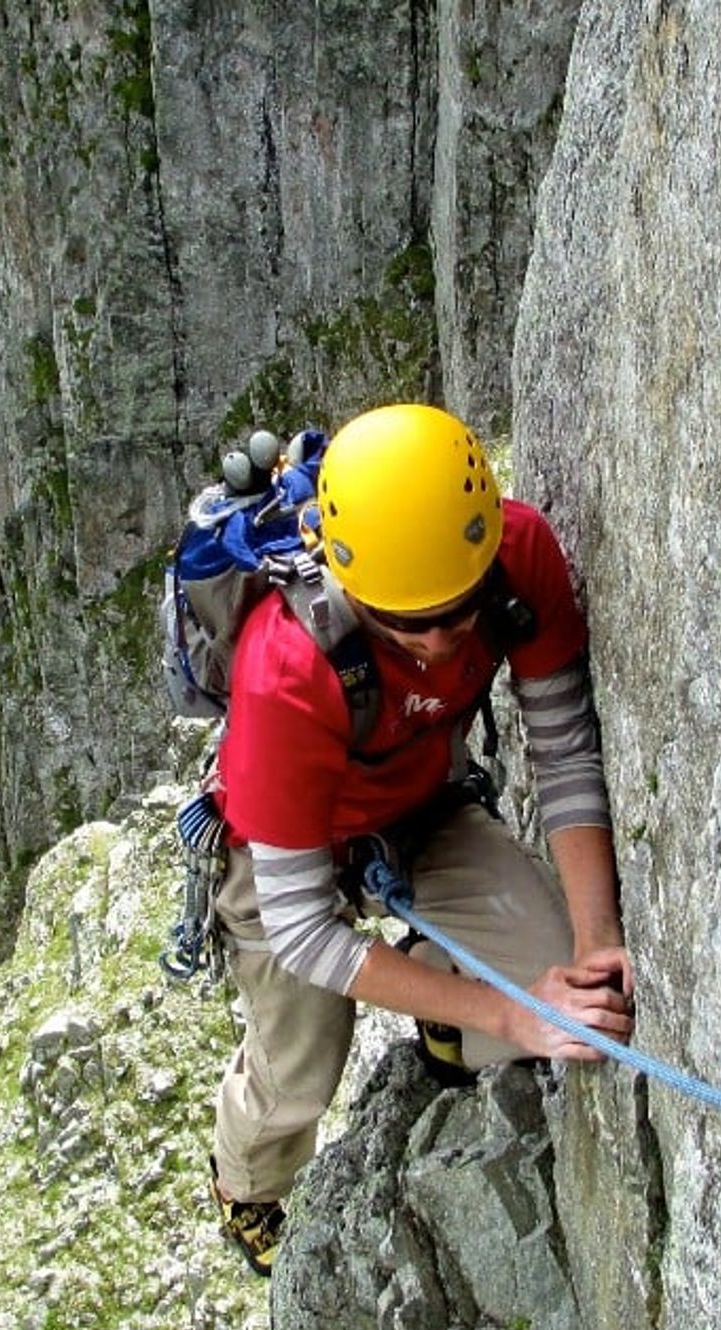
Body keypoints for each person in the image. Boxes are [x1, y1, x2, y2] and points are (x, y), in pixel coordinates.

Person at [206, 402, 633, 1275]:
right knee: (300, 1070)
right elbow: (302, 929)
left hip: (420, 803)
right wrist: (509, 1008)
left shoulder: (516, 558)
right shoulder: (287, 670)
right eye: (407, 623)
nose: (439, 641)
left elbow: (562, 750)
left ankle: (444, 1011)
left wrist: (596, 942)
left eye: (458, 610)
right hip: (281, 852)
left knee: (569, 997)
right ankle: (245, 1184)